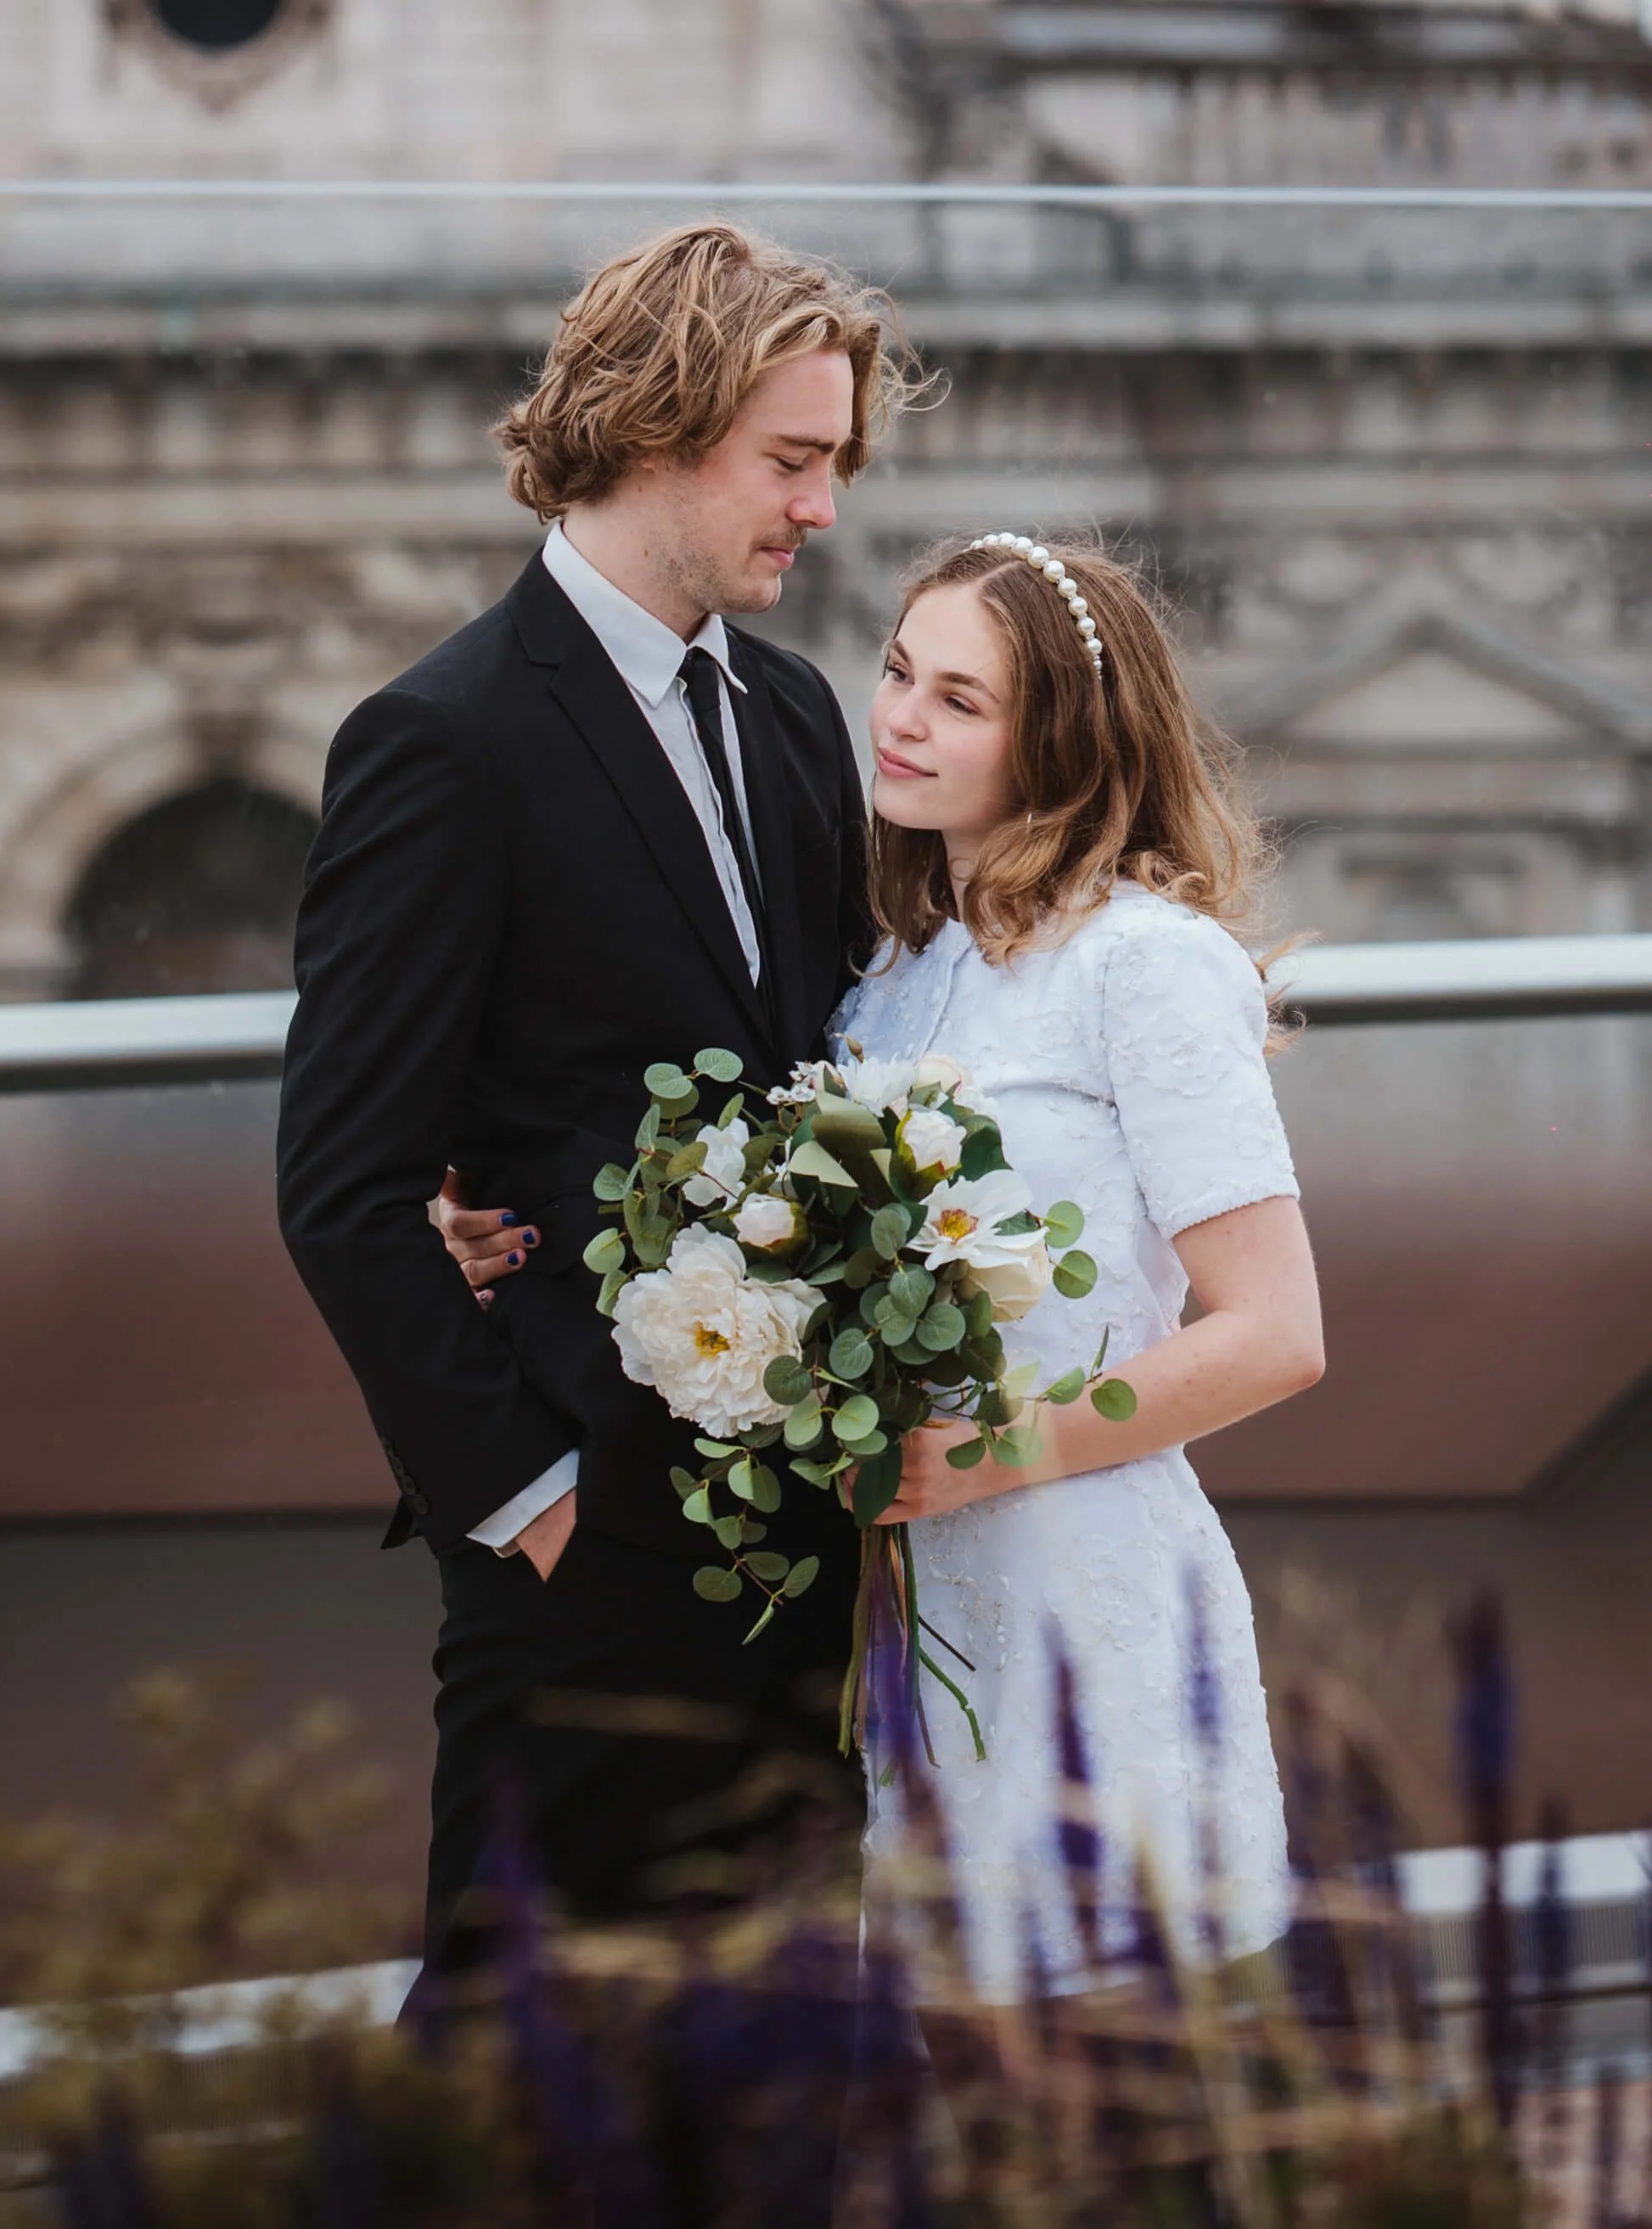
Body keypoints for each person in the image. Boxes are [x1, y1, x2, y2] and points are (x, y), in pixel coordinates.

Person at [448, 528, 1325, 2006]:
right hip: (894, 1634)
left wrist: (991, 1455)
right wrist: (478, 1216)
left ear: (1061, 737)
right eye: (899, 671)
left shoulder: (1148, 962)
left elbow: (1275, 1333)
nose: (901, 719)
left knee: (1113, 2123)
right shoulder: (892, 974)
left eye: (961, 700)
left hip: (1079, 1600)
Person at [276, 223, 913, 1980]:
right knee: (514, 2084)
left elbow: (833, 1065)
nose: (822, 509)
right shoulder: (443, 740)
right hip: (577, 1561)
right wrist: (534, 1502)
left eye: (832, 465)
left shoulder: (790, 717)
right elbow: (343, 1187)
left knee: (779, 2084)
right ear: (657, 426)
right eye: (792, 460)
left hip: (803, 1540)